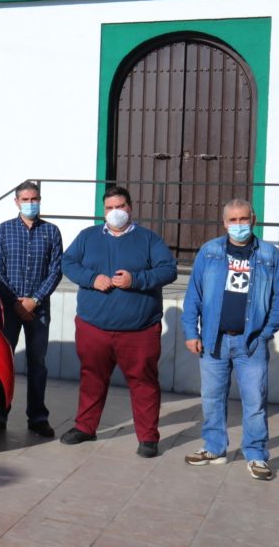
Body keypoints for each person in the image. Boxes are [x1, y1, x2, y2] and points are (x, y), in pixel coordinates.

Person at [60, 185, 177, 457]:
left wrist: (136, 280)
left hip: (139, 330)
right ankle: (85, 428)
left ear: (130, 208)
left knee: (144, 382)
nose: (115, 212)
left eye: (120, 206)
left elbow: (168, 270)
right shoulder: (87, 237)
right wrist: (91, 279)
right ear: (104, 211)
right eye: (110, 208)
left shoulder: (149, 239)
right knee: (92, 378)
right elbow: (68, 262)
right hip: (93, 326)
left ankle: (148, 437)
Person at [181, 199, 279, 481]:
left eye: (244, 219)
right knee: (212, 399)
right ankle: (215, 448)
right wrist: (192, 332)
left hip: (251, 343)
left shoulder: (269, 255)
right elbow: (194, 295)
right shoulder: (211, 252)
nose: (239, 225)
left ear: (253, 220)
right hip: (214, 341)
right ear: (224, 222)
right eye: (234, 220)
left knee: (255, 402)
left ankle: (256, 456)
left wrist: (265, 333)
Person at [0, 180, 63, 437]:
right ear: (17, 202)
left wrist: (35, 300)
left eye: (35, 199)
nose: (31, 204)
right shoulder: (3, 230)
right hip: (9, 309)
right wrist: (14, 302)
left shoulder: (51, 232)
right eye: (26, 200)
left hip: (38, 310)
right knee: (3, 362)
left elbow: (55, 270)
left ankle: (38, 417)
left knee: (37, 363)